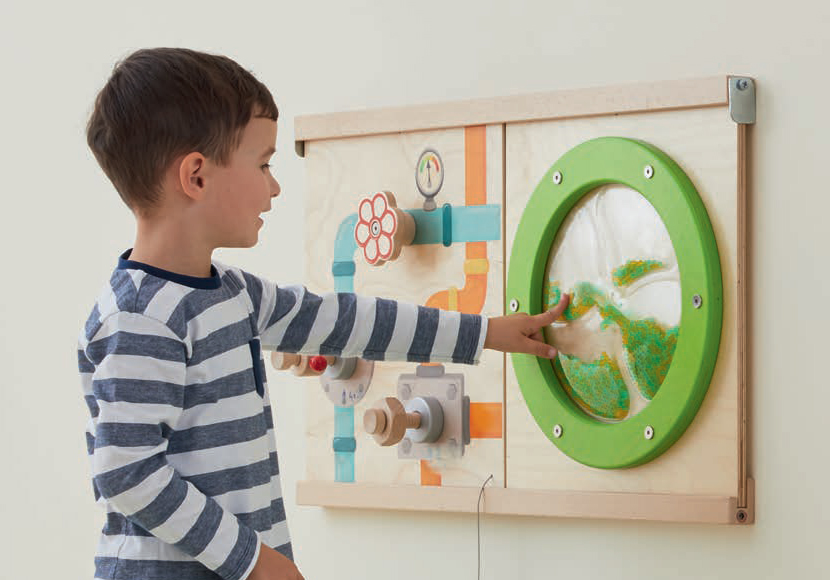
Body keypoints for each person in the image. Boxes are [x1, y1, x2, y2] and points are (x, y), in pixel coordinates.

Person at [78, 47, 570, 580]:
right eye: (263, 164)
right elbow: (127, 471)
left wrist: (482, 332)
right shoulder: (141, 319)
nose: (275, 185)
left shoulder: (232, 295)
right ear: (196, 176)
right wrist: (254, 562)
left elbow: (347, 321)